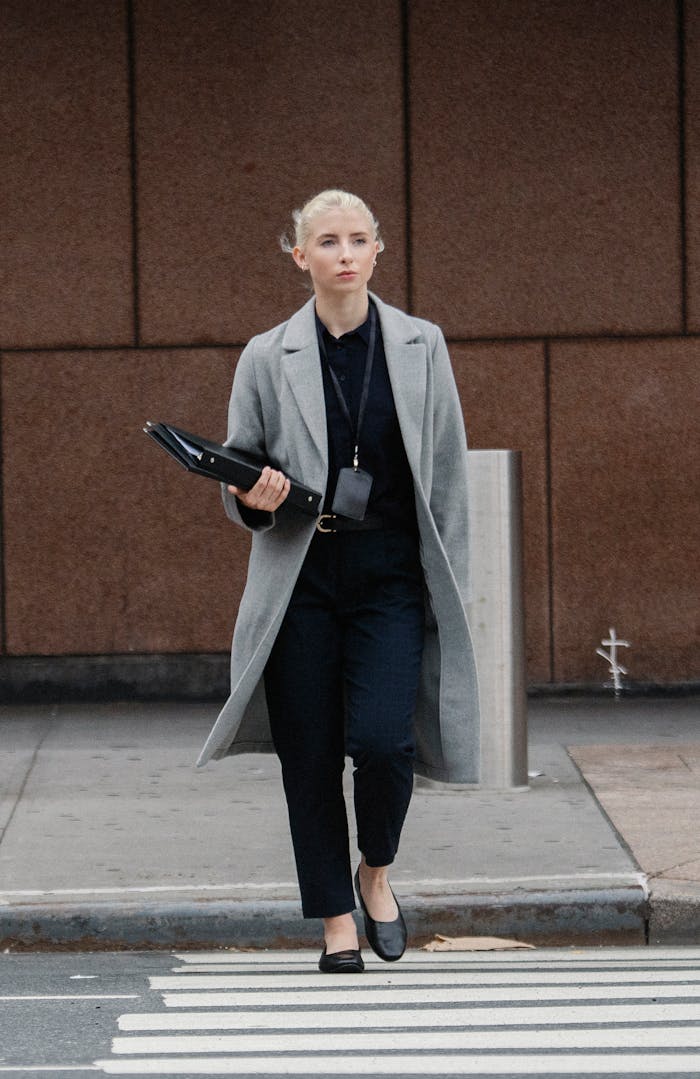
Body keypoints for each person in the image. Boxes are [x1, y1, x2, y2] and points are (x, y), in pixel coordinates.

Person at [197, 189, 480, 973]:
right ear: (300, 256)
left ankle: (375, 872)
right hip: (301, 574)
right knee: (311, 755)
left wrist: (453, 587)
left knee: (386, 743)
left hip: (390, 572)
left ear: (378, 250)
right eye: (327, 241)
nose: (345, 253)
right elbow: (240, 466)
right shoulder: (266, 355)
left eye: (358, 239)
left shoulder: (422, 345)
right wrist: (250, 494)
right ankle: (334, 922)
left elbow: (447, 476)